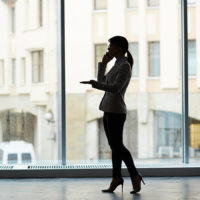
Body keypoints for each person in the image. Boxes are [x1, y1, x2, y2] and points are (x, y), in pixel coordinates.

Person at [80, 36, 145, 194]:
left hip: (116, 111)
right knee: (115, 147)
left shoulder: (125, 66)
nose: (108, 49)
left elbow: (115, 88)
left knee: (118, 147)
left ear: (120, 48)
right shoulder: (116, 64)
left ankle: (134, 176)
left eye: (111, 46)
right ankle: (117, 178)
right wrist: (103, 64)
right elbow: (102, 80)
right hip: (108, 109)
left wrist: (96, 85)